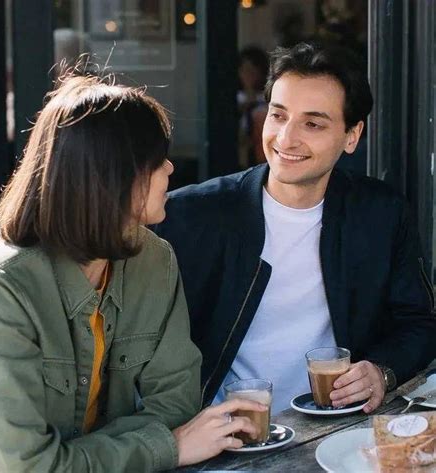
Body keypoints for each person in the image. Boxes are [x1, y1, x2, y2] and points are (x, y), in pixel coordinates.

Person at [0, 72, 267, 472]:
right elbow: (28, 466)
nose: (171, 168)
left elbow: (176, 404)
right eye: (156, 161)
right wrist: (166, 447)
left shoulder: (155, 259)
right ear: (112, 178)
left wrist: (81, 458)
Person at [155, 42, 436, 416]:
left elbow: (419, 324)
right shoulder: (190, 214)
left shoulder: (381, 214)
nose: (286, 139)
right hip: (220, 436)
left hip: (332, 426)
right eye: (278, 115)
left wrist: (382, 371)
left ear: (352, 136)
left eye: (313, 123)